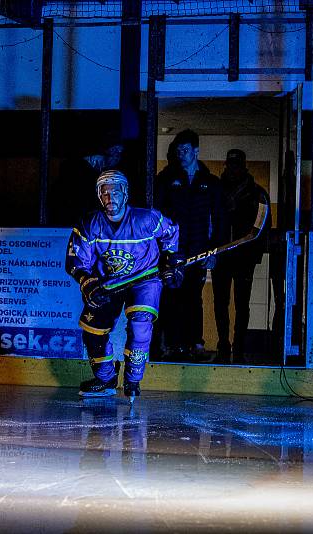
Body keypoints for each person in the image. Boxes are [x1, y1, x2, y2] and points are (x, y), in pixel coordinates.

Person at [66, 169, 182, 399]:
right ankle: (106, 378)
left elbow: (171, 232)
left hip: (145, 279)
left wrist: (171, 260)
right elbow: (76, 262)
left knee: (141, 324)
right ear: (99, 196)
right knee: (93, 331)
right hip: (108, 283)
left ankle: (132, 380)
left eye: (115, 191)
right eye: (105, 192)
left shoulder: (147, 218)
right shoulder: (90, 224)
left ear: (125, 193)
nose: (111, 197)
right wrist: (88, 284)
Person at [154, 129, 225, 361]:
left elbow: (218, 219)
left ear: (196, 151)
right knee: (171, 296)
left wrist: (213, 252)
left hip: (199, 250)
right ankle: (172, 344)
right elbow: (157, 216)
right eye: (178, 151)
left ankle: (195, 342)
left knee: (194, 297)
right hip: (172, 251)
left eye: (185, 150)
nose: (181, 155)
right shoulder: (165, 180)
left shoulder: (210, 183)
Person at [212, 149, 270, 364]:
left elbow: (262, 227)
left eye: (236, 165)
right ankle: (224, 344)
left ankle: (238, 345)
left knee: (241, 303)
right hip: (222, 255)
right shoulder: (217, 191)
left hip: (243, 257)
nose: (233, 169)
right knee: (221, 302)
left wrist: (255, 255)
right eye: (231, 164)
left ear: (243, 166)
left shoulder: (257, 194)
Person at [50, 133, 125, 227]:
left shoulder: (98, 173)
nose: (118, 156)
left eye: (119, 152)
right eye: (116, 151)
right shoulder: (79, 174)